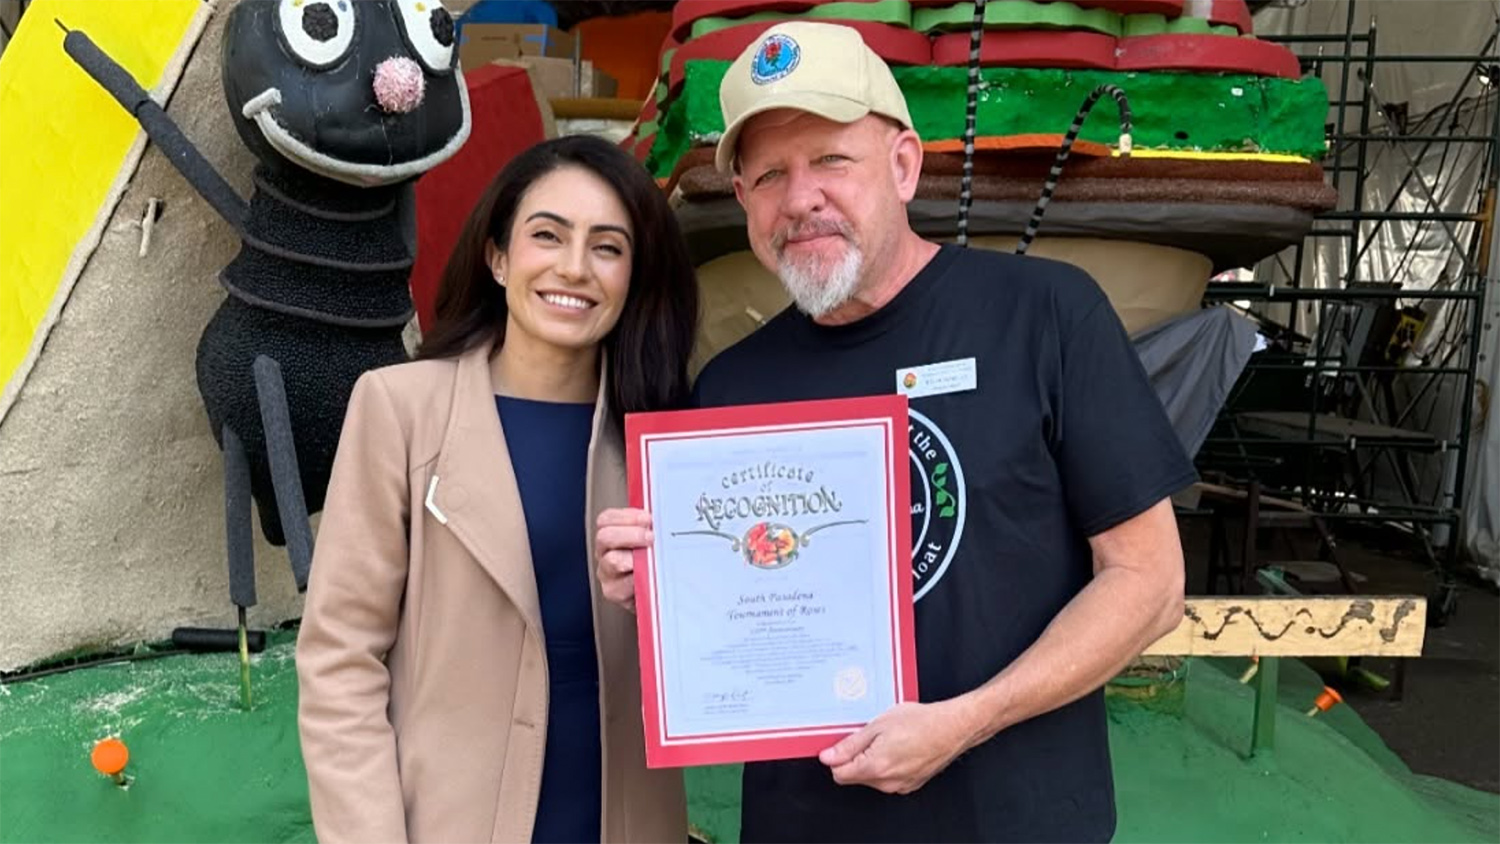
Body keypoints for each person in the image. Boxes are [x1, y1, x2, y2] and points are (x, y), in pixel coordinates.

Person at [595, 21, 1194, 843]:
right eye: (768, 173)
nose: (801, 198)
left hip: (1016, 820)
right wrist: (656, 583)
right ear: (742, 201)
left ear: (904, 164)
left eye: (832, 160)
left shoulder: (1047, 316)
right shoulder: (732, 387)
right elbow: (737, 604)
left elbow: (1149, 583)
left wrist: (966, 721)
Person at [297, 134, 697, 844]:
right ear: (498, 255)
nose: (574, 269)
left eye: (608, 247)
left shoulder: (670, 440)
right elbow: (339, 659)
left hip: (628, 818)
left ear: (636, 275)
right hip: (452, 821)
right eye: (548, 236)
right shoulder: (401, 409)